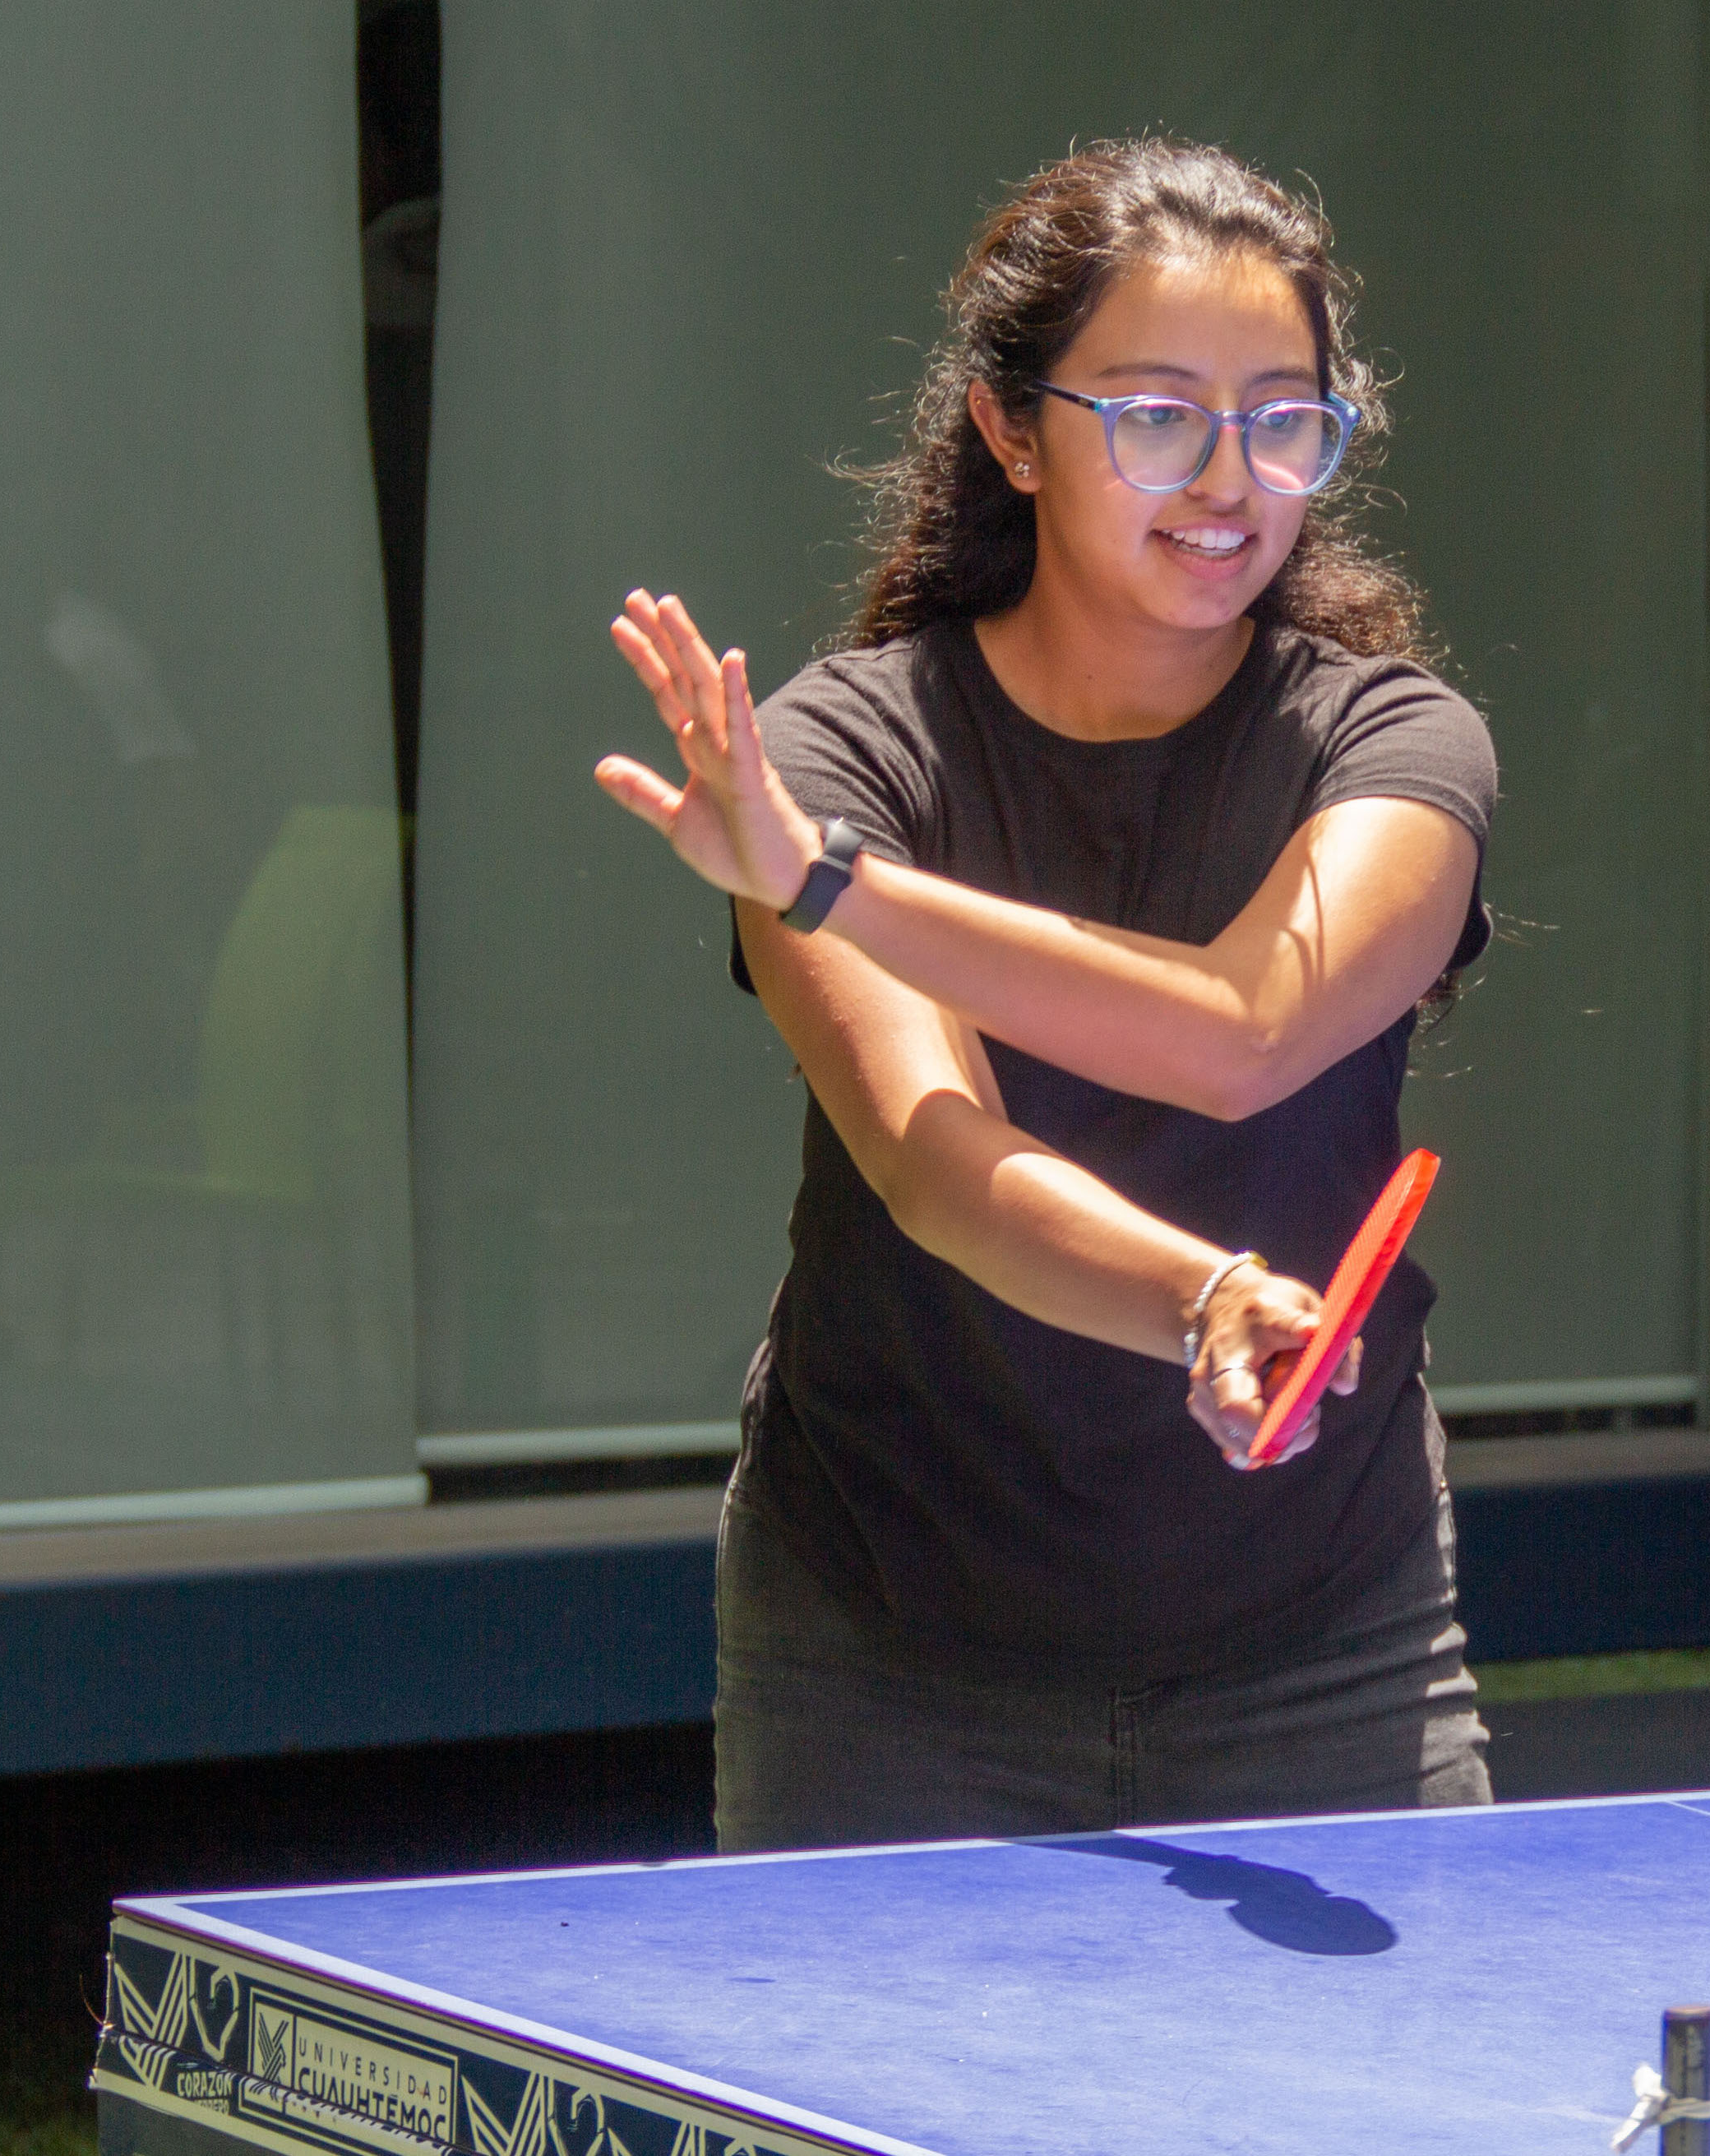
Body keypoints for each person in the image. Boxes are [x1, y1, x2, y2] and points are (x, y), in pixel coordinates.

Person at [592, 140, 1498, 1848]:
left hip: (1323, 1635)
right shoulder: (836, 756)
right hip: (888, 1637)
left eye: (1284, 418)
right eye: (1155, 415)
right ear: (1013, 431)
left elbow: (1247, 1034)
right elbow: (941, 1165)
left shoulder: (1393, 741)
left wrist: (834, 889)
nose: (1227, 477)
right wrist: (1203, 1295)